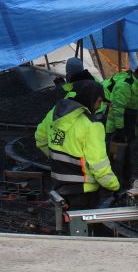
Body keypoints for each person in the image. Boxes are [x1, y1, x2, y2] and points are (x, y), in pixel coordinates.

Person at [35, 80, 120, 210]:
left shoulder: (54, 114)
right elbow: (99, 165)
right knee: (83, 227)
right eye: (99, 101)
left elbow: (40, 139)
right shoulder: (92, 125)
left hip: (59, 186)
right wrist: (114, 186)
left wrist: (56, 159)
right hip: (84, 191)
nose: (98, 106)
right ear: (91, 99)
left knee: (66, 226)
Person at [103, 63, 138, 185]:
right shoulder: (125, 85)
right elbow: (118, 110)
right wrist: (120, 130)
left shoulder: (137, 85)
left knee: (126, 158)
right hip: (117, 131)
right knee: (115, 159)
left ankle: (125, 182)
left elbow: (135, 104)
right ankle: (112, 185)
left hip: (128, 128)